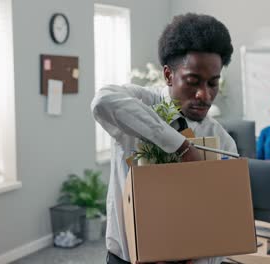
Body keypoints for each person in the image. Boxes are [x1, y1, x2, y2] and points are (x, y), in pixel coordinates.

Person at [91, 13, 236, 264]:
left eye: (213, 83)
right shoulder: (140, 104)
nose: (204, 94)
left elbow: (220, 213)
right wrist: (180, 146)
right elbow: (103, 101)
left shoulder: (221, 140)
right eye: (193, 82)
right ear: (169, 75)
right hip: (127, 259)